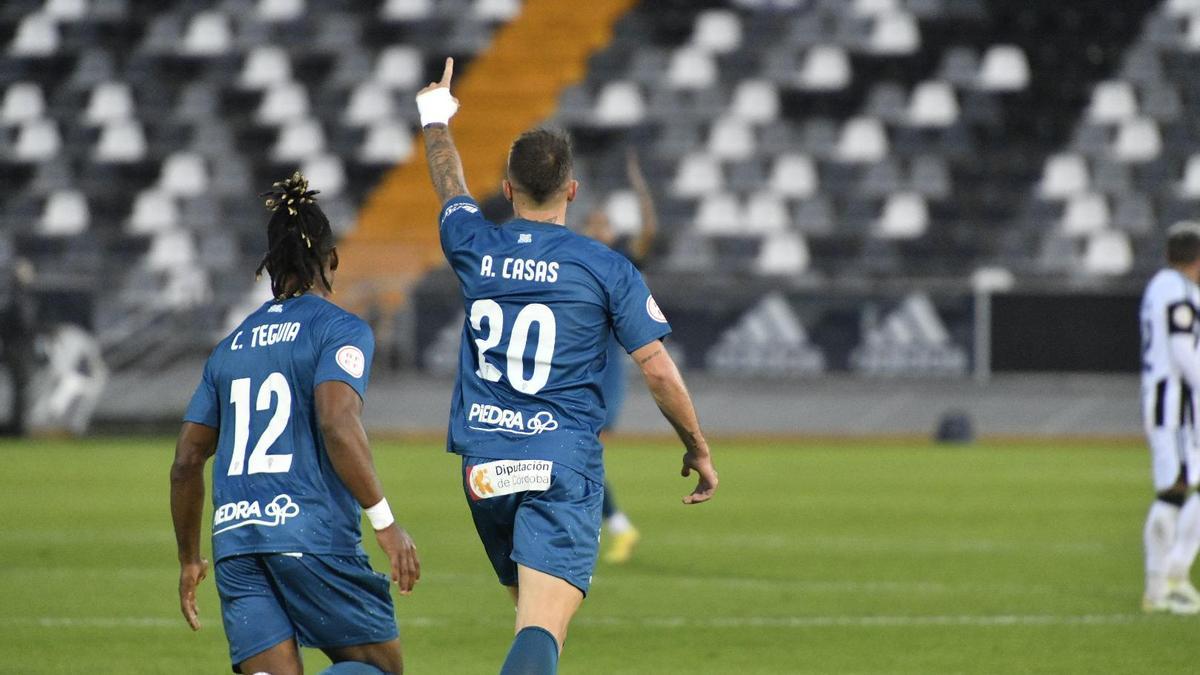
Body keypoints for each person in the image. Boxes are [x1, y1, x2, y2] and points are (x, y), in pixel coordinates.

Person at [417, 58, 719, 675]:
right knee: (540, 630)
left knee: (531, 624)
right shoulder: (603, 266)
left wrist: (434, 118)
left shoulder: (474, 243)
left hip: (485, 470)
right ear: (572, 192)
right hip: (559, 464)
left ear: (506, 190)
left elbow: (450, 188)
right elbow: (658, 369)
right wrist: (698, 447)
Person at [169, 173, 420, 675]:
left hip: (236, 545)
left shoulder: (230, 347)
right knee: (382, 670)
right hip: (311, 534)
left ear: (269, 268)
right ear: (332, 260)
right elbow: (336, 422)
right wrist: (387, 524)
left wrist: (189, 559)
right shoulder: (340, 330)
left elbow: (186, 461)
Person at [579, 147, 658, 564]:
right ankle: (611, 527)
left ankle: (615, 527)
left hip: (604, 375)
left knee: (585, 451)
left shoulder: (619, 263)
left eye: (603, 224)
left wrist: (641, 189)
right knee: (580, 453)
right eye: (592, 224)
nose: (597, 230)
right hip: (573, 373)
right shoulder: (573, 263)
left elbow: (648, 233)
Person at [1140, 221, 1200, 615]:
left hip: (1167, 400)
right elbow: (1182, 349)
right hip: (1173, 403)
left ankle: (1169, 579)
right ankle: (1164, 582)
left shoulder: (1159, 286)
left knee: (1178, 489)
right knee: (1174, 491)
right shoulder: (1178, 291)